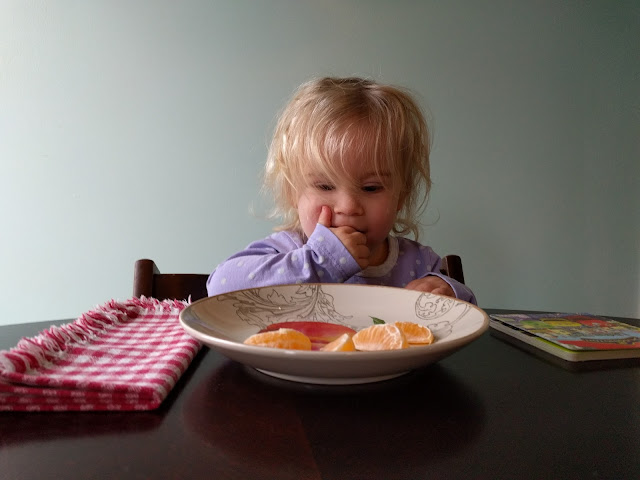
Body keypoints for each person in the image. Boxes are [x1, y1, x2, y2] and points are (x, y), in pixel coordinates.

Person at [206, 76, 476, 305]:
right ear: (292, 192)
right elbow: (220, 286)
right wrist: (319, 261)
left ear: (400, 197)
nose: (348, 207)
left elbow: (467, 313)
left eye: (371, 187)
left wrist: (447, 290)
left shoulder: (417, 262)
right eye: (325, 186)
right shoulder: (287, 251)